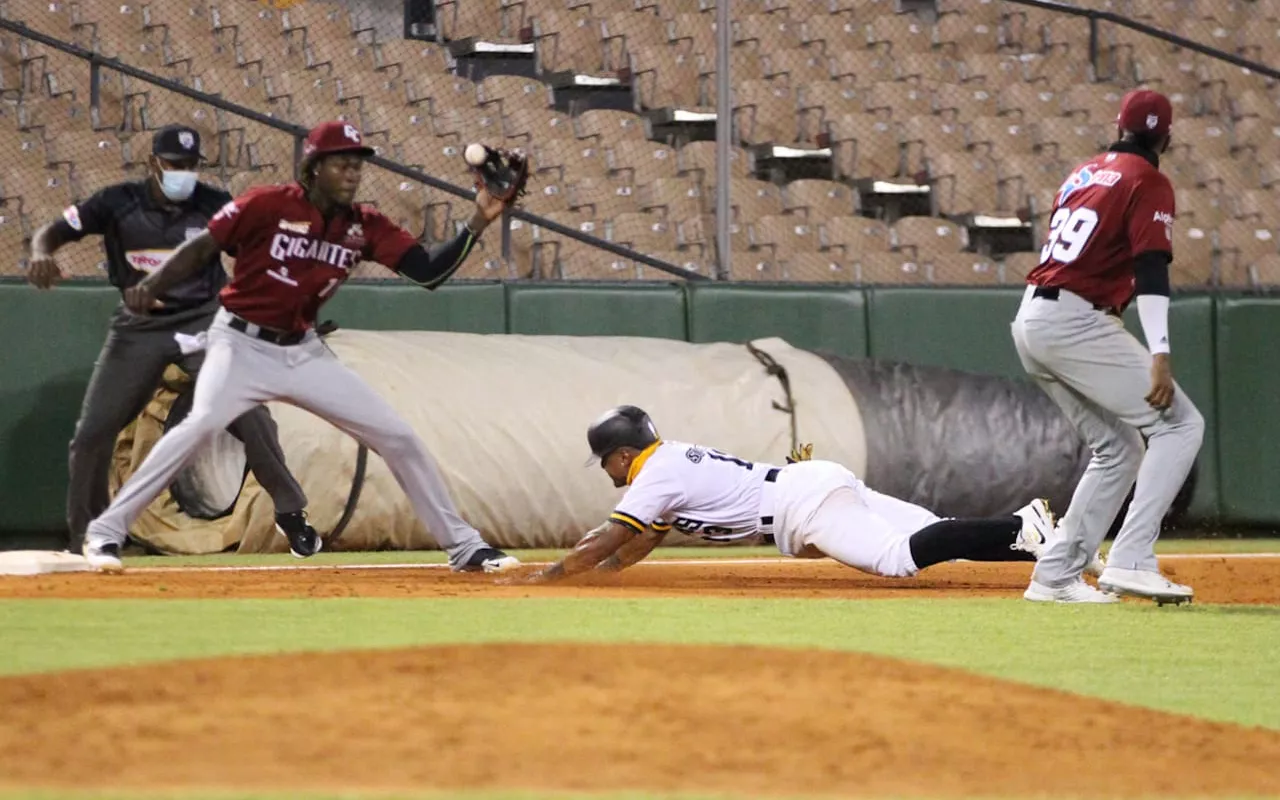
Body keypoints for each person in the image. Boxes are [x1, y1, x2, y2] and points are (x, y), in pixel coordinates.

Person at [82, 120, 520, 574]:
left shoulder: (363, 226)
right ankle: (105, 533)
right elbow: (204, 248)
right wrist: (154, 283)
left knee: (399, 437)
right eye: (342, 164)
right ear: (313, 168)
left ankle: (465, 546)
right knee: (198, 427)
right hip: (239, 345)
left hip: (303, 351)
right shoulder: (267, 204)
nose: (353, 173)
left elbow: (428, 272)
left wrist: (479, 219)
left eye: (357, 165)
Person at [27, 124, 316, 558]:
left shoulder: (216, 205)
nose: (184, 173)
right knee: (92, 434)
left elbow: (260, 254)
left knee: (252, 415)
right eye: (174, 165)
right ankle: (89, 538)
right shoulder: (116, 202)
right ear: (153, 164)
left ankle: (291, 512)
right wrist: (40, 253)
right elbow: (53, 232)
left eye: (191, 165)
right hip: (141, 325)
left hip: (207, 323)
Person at [1011, 89, 1204, 605]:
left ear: (1119, 126)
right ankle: (1132, 559)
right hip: (1075, 318)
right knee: (1182, 425)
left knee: (1119, 447)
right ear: (1166, 136)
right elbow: (1150, 267)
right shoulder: (1149, 180)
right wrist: (1159, 351)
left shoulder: (1084, 172)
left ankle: (1054, 576)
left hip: (1034, 316)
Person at [519, 405, 1057, 584]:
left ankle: (1023, 525)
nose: (606, 469)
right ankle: (1036, 540)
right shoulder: (668, 462)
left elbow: (611, 536)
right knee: (936, 533)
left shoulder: (653, 474)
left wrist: (553, 577)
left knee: (900, 558)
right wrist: (603, 579)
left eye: (604, 461)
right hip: (807, 485)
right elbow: (635, 546)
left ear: (618, 455)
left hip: (801, 505)